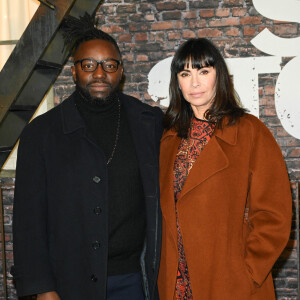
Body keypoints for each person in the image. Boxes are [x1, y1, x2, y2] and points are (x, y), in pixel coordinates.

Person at [12, 13, 163, 300]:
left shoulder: (149, 122)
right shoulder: (41, 134)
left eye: (109, 65)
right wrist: (42, 288)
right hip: (68, 282)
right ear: (74, 71)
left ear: (121, 71)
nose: (99, 73)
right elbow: (28, 222)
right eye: (88, 65)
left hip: (135, 280)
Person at [157, 38, 292, 300]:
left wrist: (248, 272)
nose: (194, 82)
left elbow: (274, 215)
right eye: (185, 73)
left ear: (219, 76)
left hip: (229, 283)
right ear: (177, 82)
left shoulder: (250, 132)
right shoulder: (169, 138)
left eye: (203, 71)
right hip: (176, 284)